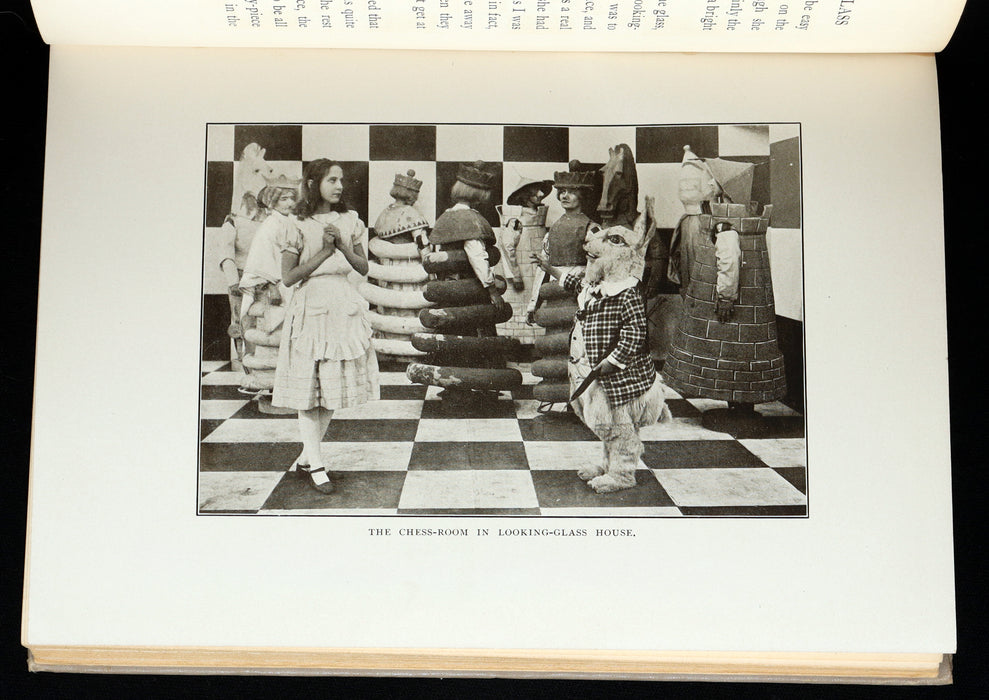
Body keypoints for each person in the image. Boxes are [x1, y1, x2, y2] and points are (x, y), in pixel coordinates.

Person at [272, 159, 379, 494]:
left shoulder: (350, 220)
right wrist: (323, 251)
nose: (339, 186)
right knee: (309, 392)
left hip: (343, 307)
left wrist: (343, 246)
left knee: (330, 389)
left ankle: (307, 456)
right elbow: (288, 277)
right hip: (311, 309)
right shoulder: (296, 223)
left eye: (341, 180)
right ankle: (317, 465)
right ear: (313, 183)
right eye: (332, 180)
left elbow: (363, 267)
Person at [525, 164, 599, 322]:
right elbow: (542, 270)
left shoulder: (592, 229)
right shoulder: (553, 229)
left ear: (582, 196)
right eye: (563, 191)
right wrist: (533, 304)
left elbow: (597, 269)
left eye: (572, 192)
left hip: (579, 295)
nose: (565, 196)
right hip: (554, 293)